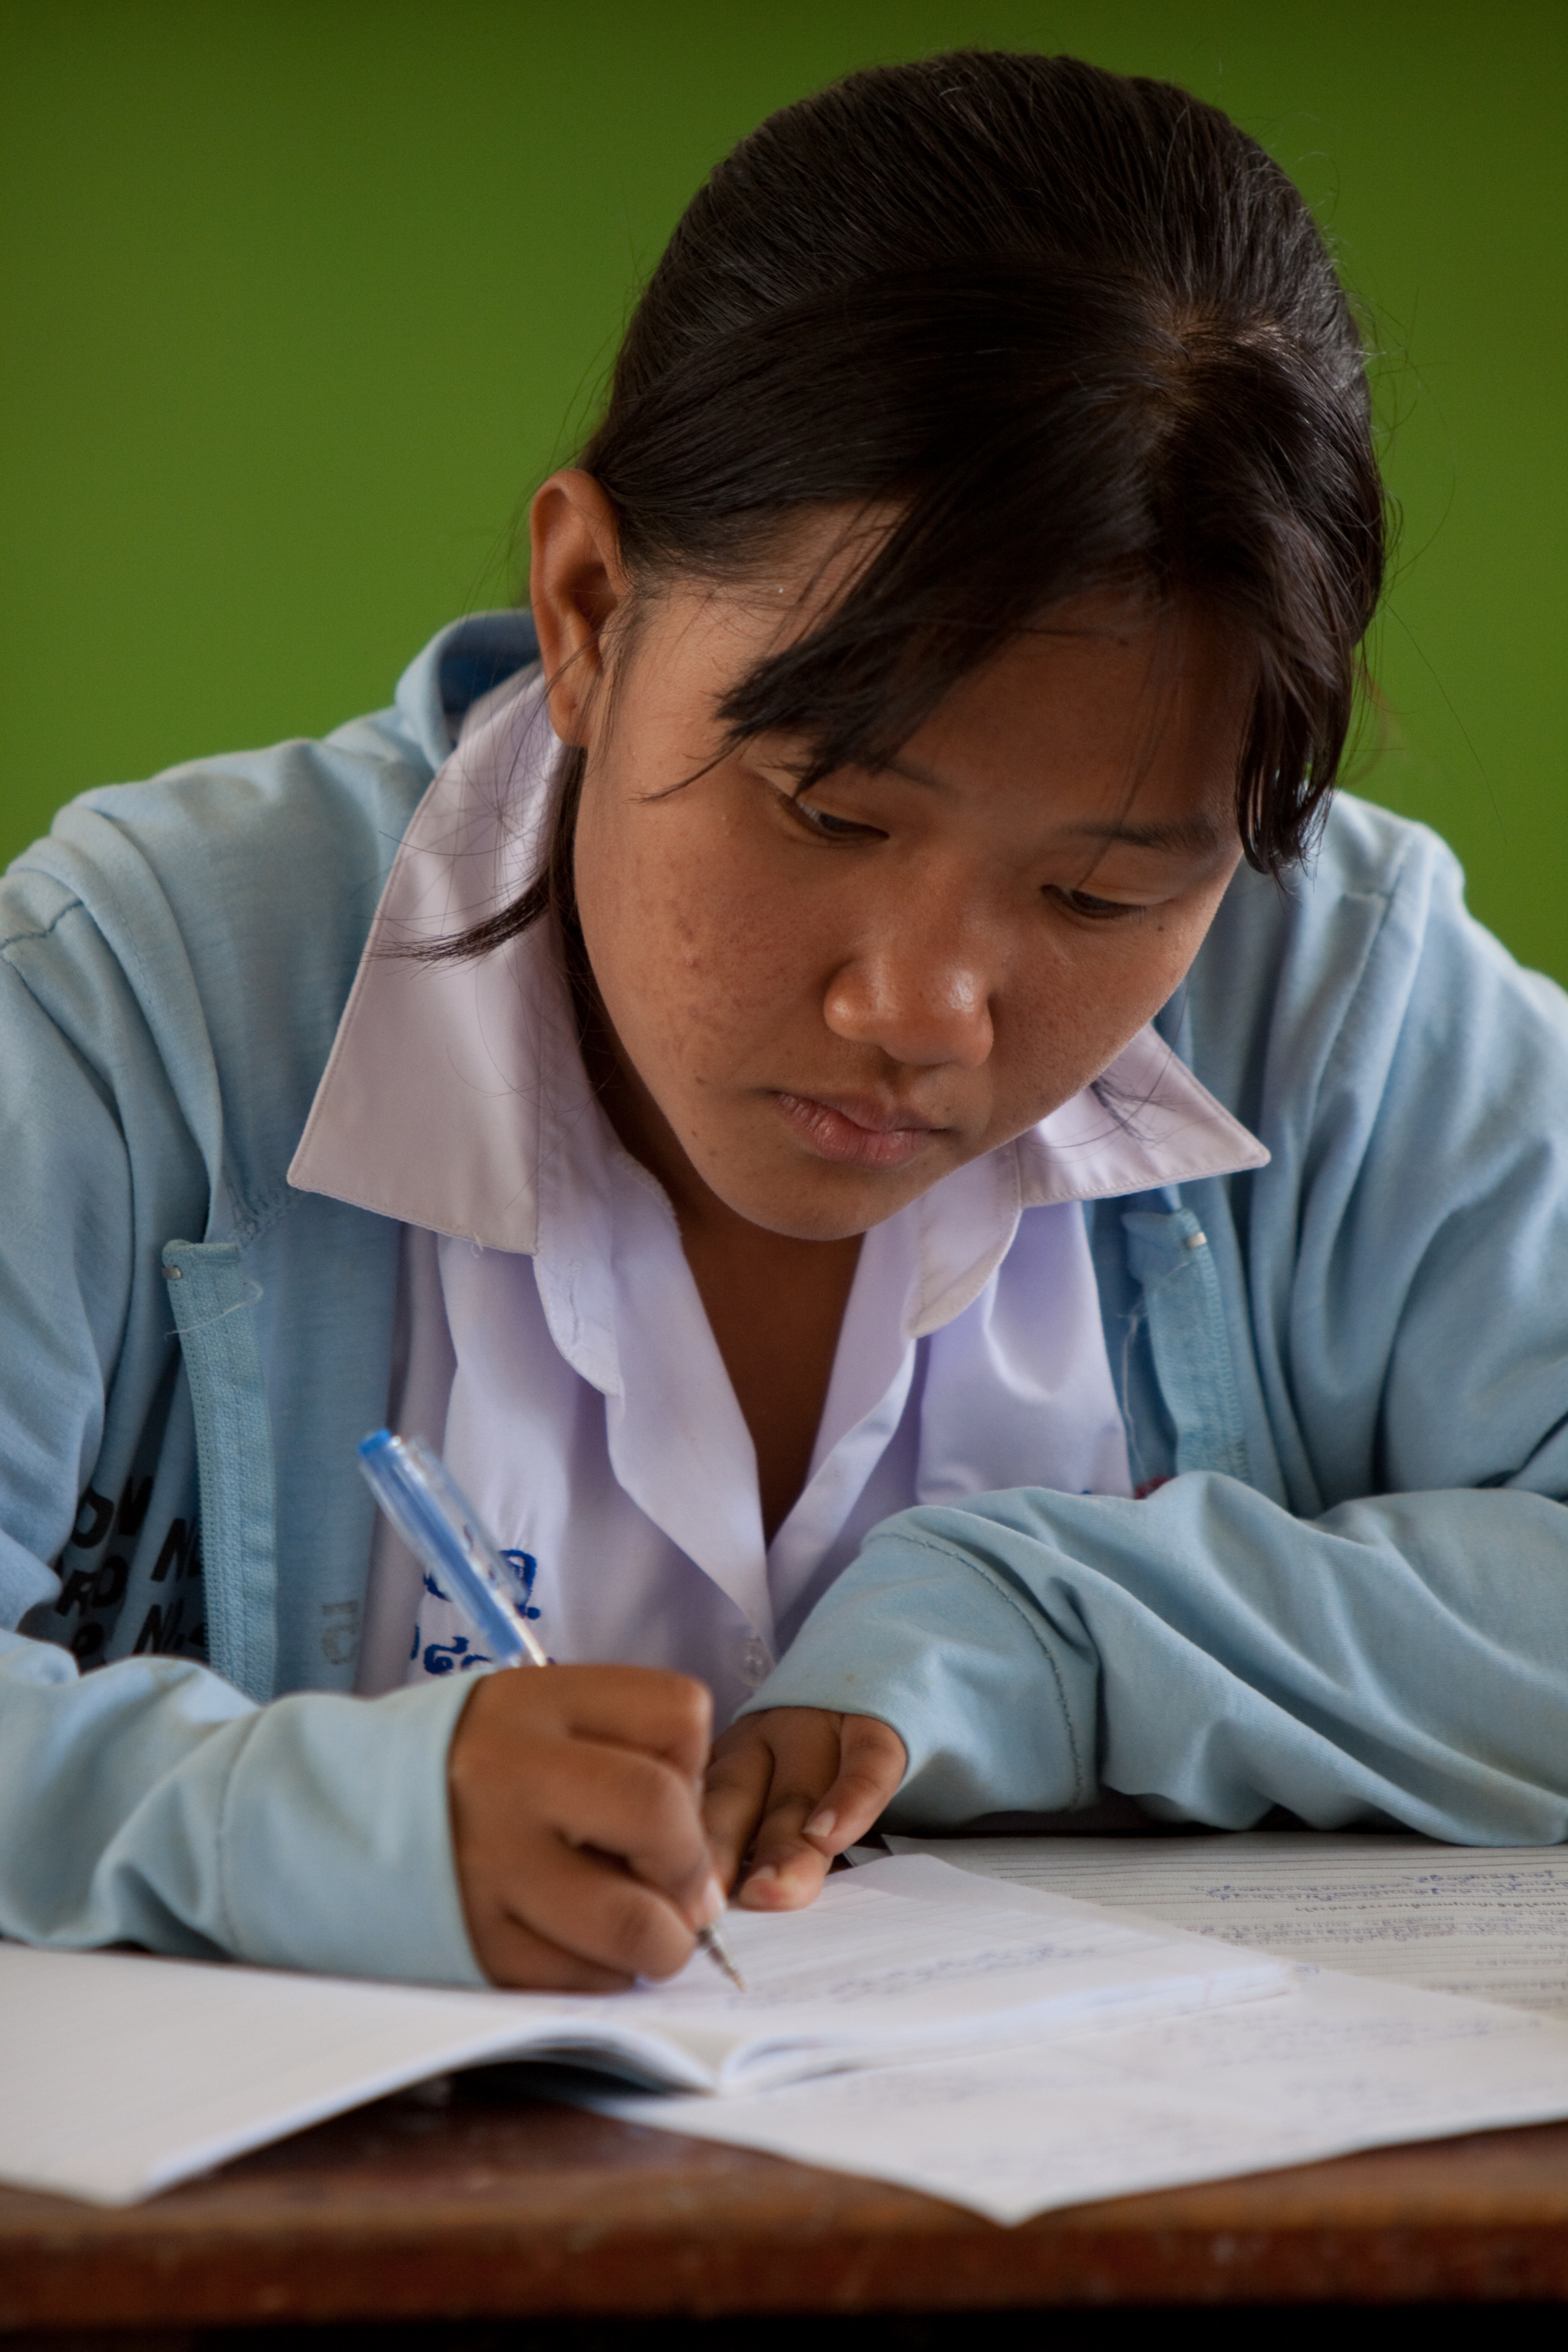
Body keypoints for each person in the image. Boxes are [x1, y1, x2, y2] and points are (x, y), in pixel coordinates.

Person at [2, 51, 1565, 1998]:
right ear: (586, 609)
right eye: (829, 807)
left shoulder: (1339, 992)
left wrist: (1042, 1625)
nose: (919, 1011)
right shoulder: (133, 1008)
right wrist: (323, 1826)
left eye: (1101, 892)